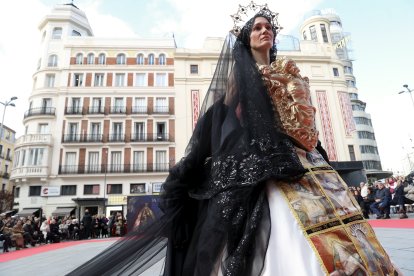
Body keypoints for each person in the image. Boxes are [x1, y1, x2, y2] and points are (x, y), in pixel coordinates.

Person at [68, 2, 399, 275]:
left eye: (268, 26)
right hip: (260, 176)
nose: (264, 30)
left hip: (299, 163)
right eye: (256, 27)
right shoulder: (236, 88)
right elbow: (219, 131)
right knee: (277, 236)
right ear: (246, 38)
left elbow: (304, 127)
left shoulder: (290, 74)